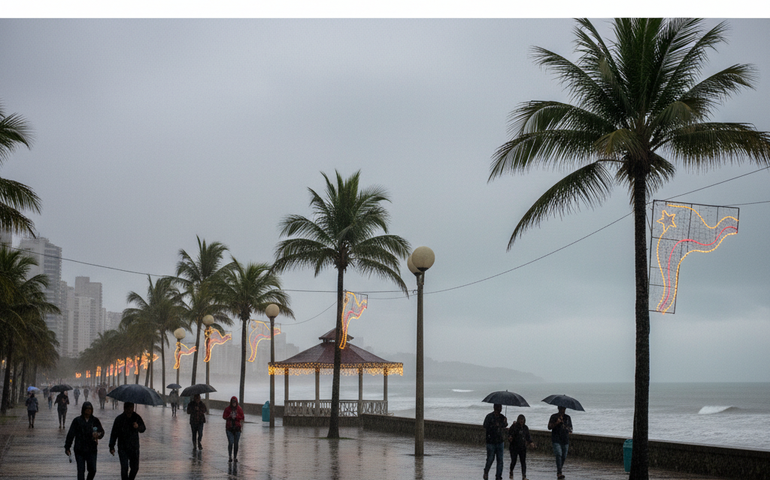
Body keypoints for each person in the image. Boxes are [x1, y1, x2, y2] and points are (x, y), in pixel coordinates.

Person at [64, 401, 105, 480]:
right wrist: (67, 447)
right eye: (87, 409)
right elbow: (71, 434)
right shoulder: (77, 421)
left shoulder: (95, 420)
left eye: (90, 409)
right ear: (83, 409)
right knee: (81, 470)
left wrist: (98, 435)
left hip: (91, 449)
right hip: (80, 449)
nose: (88, 410)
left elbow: (102, 432)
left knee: (93, 470)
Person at [109, 401, 146, 480]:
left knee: (135, 468)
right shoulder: (119, 419)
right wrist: (111, 446)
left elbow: (143, 428)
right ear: (124, 409)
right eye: (128, 409)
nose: (130, 411)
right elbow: (114, 433)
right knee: (124, 467)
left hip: (134, 447)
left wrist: (138, 426)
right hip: (123, 447)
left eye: (131, 408)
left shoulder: (136, 417)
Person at [483, 403, 508, 480]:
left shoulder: (502, 417)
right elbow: (485, 425)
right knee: (490, 459)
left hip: (500, 441)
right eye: (499, 407)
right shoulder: (489, 416)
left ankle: (498, 476)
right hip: (491, 441)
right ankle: (486, 471)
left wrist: (505, 422)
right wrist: (494, 425)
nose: (501, 408)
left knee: (500, 460)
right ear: (495, 407)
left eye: (501, 407)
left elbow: (504, 426)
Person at [548, 406, 573, 480]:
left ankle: (559, 470)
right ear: (558, 409)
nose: (563, 410)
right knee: (558, 454)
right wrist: (556, 423)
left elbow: (570, 428)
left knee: (564, 456)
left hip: (565, 440)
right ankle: (559, 472)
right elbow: (549, 427)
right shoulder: (553, 416)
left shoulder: (567, 418)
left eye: (564, 409)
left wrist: (566, 427)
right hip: (556, 439)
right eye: (561, 409)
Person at [508, 414, 535, 480]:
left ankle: (524, 476)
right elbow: (509, 434)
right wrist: (510, 437)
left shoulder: (525, 428)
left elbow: (528, 436)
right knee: (513, 461)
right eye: (520, 419)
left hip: (522, 447)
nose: (521, 421)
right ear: (518, 420)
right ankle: (511, 471)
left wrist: (531, 442)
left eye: (522, 420)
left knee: (523, 462)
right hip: (514, 447)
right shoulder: (514, 426)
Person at [222, 396, 244, 462]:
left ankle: (235, 457)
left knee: (236, 443)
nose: (233, 403)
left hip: (237, 429)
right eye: (232, 401)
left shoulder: (239, 409)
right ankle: (230, 456)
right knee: (231, 442)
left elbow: (242, 417)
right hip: (229, 428)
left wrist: (236, 417)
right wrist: (229, 416)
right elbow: (224, 416)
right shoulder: (227, 409)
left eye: (235, 402)